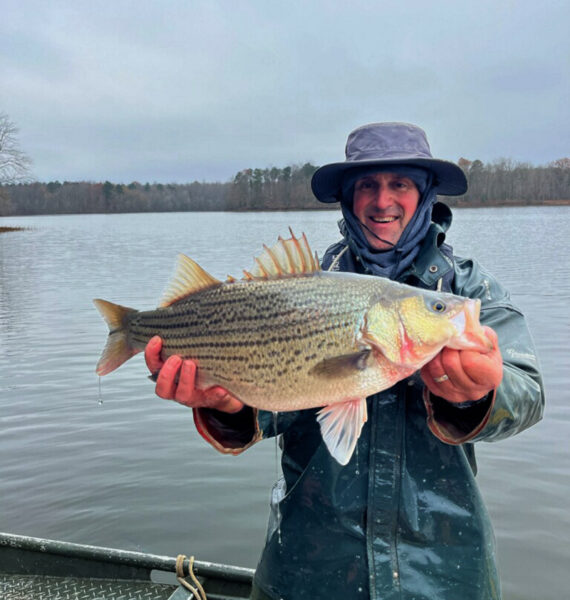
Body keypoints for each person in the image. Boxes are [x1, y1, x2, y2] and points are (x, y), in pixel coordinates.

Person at [145, 122, 544, 599]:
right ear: (347, 200)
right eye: (367, 186)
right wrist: (225, 405)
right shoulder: (306, 286)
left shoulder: (467, 292)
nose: (383, 201)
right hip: (307, 571)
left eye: (400, 184)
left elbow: (528, 392)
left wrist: (480, 395)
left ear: (427, 194)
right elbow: (271, 408)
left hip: (442, 573)